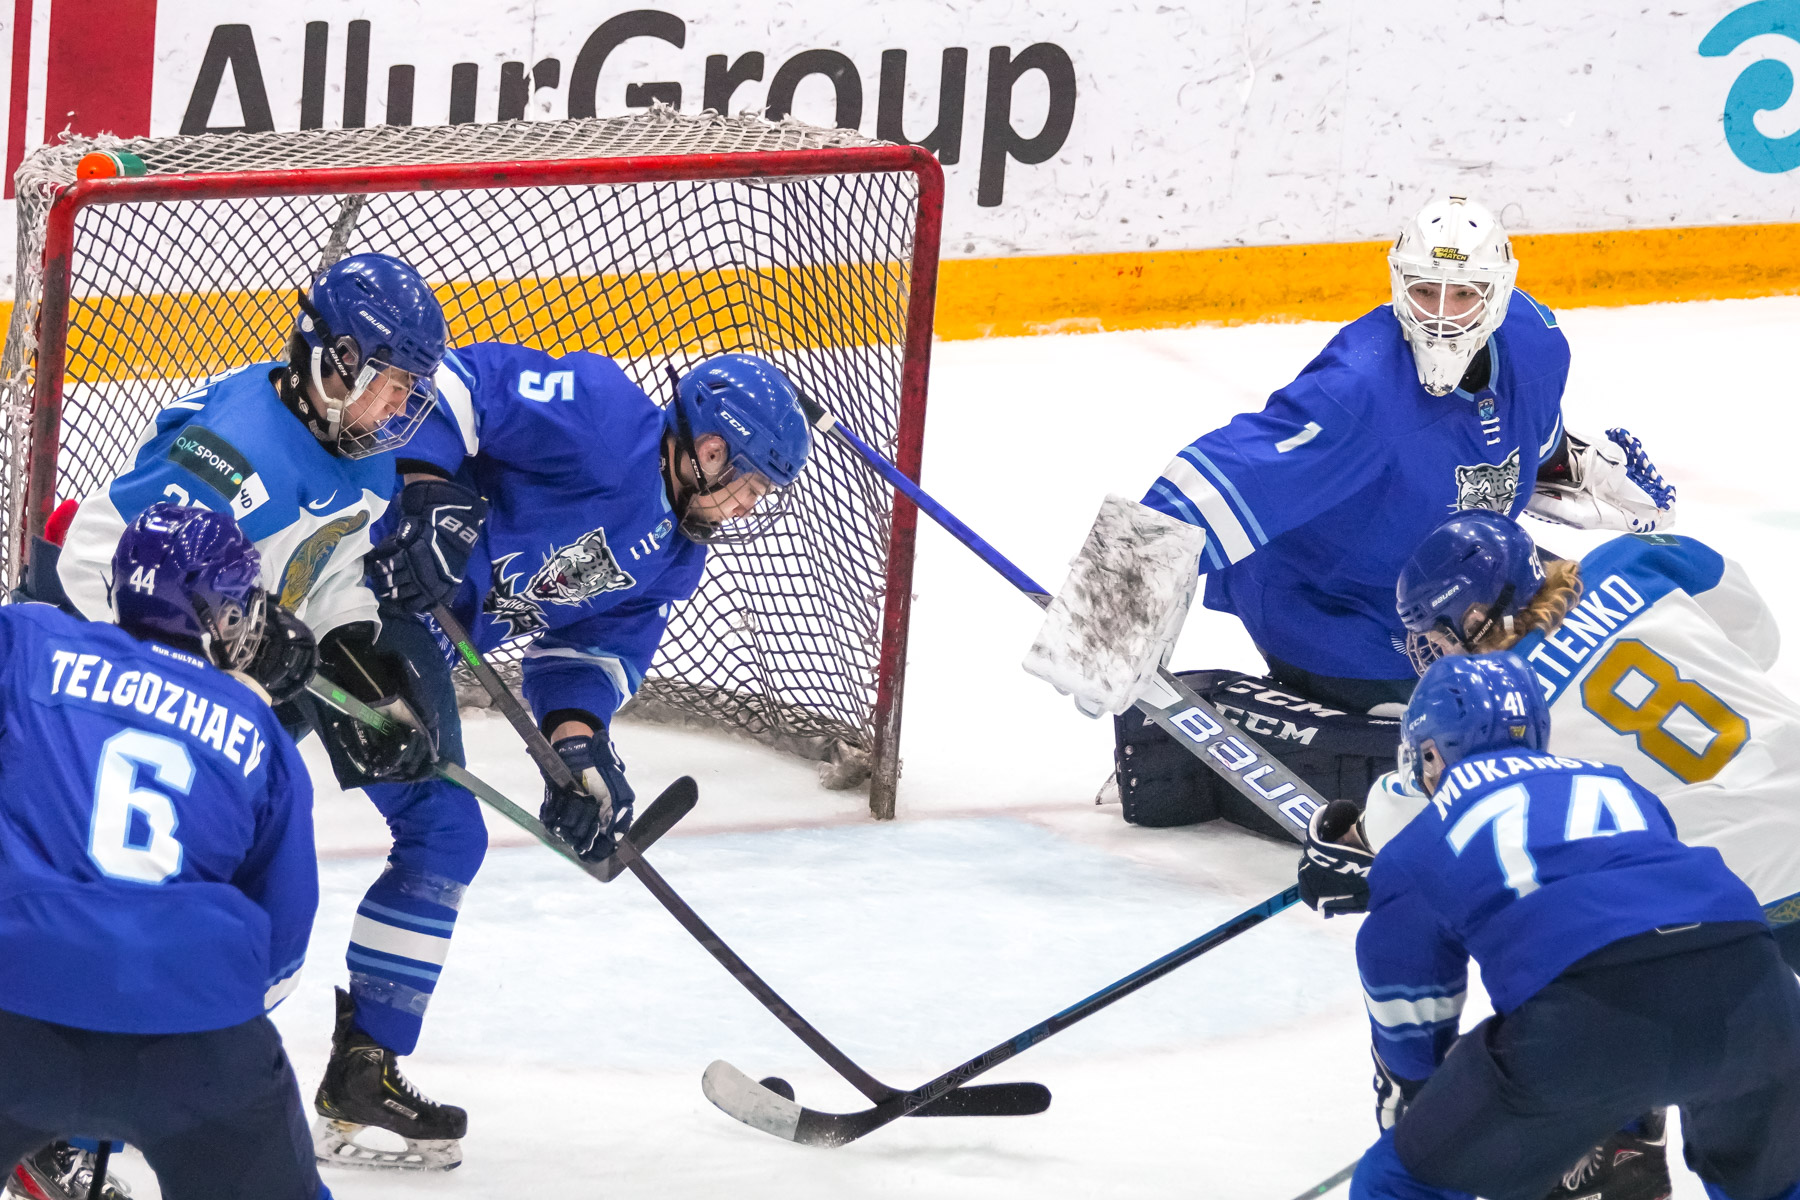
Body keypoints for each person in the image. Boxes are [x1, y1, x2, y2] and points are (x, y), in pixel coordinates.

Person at [313, 344, 810, 1164]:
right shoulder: (601, 414)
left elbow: (585, 654)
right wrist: (426, 490)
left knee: (438, 833)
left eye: (760, 494)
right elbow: (457, 385)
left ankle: (361, 1069)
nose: (745, 506)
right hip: (344, 568)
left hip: (400, 635)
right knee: (237, 795)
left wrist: (577, 746)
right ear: (709, 446)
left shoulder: (675, 558)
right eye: (748, 483)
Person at [45, 254, 474, 1170]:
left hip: (208, 695)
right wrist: (229, 628)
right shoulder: (236, 449)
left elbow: (331, 570)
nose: (398, 407)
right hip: (102, 683)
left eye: (410, 389)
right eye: (387, 382)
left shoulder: (368, 454)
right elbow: (96, 559)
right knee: (127, 905)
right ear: (332, 360)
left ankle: (80, 1122)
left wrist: (356, 654)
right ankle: (61, 1130)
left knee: (202, 908)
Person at [1108, 193, 1678, 836]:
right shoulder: (1358, 387)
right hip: (1328, 601)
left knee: (1601, 648)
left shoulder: (1537, 341)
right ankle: (1255, 714)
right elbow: (1217, 478)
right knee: (1461, 738)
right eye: (1425, 291)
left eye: (1463, 295)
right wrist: (1109, 614)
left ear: (1499, 293)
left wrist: (1580, 467)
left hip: (1453, 578)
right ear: (1398, 283)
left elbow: (1522, 443)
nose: (1440, 316)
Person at [1333, 653, 1800, 1200]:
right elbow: (1657, 922)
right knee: (1773, 1186)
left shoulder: (1418, 843)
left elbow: (1409, 1020)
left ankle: (1612, 1132)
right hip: (1761, 990)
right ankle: (1625, 1134)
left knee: (1393, 1181)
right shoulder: (1622, 785)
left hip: (1591, 1023)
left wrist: (1427, 1112)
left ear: (1430, 752)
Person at [0, 504, 329, 1200]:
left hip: (14, 989)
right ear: (222, 614)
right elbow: (282, 945)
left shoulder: (27, 640)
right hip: (195, 1031)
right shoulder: (261, 733)